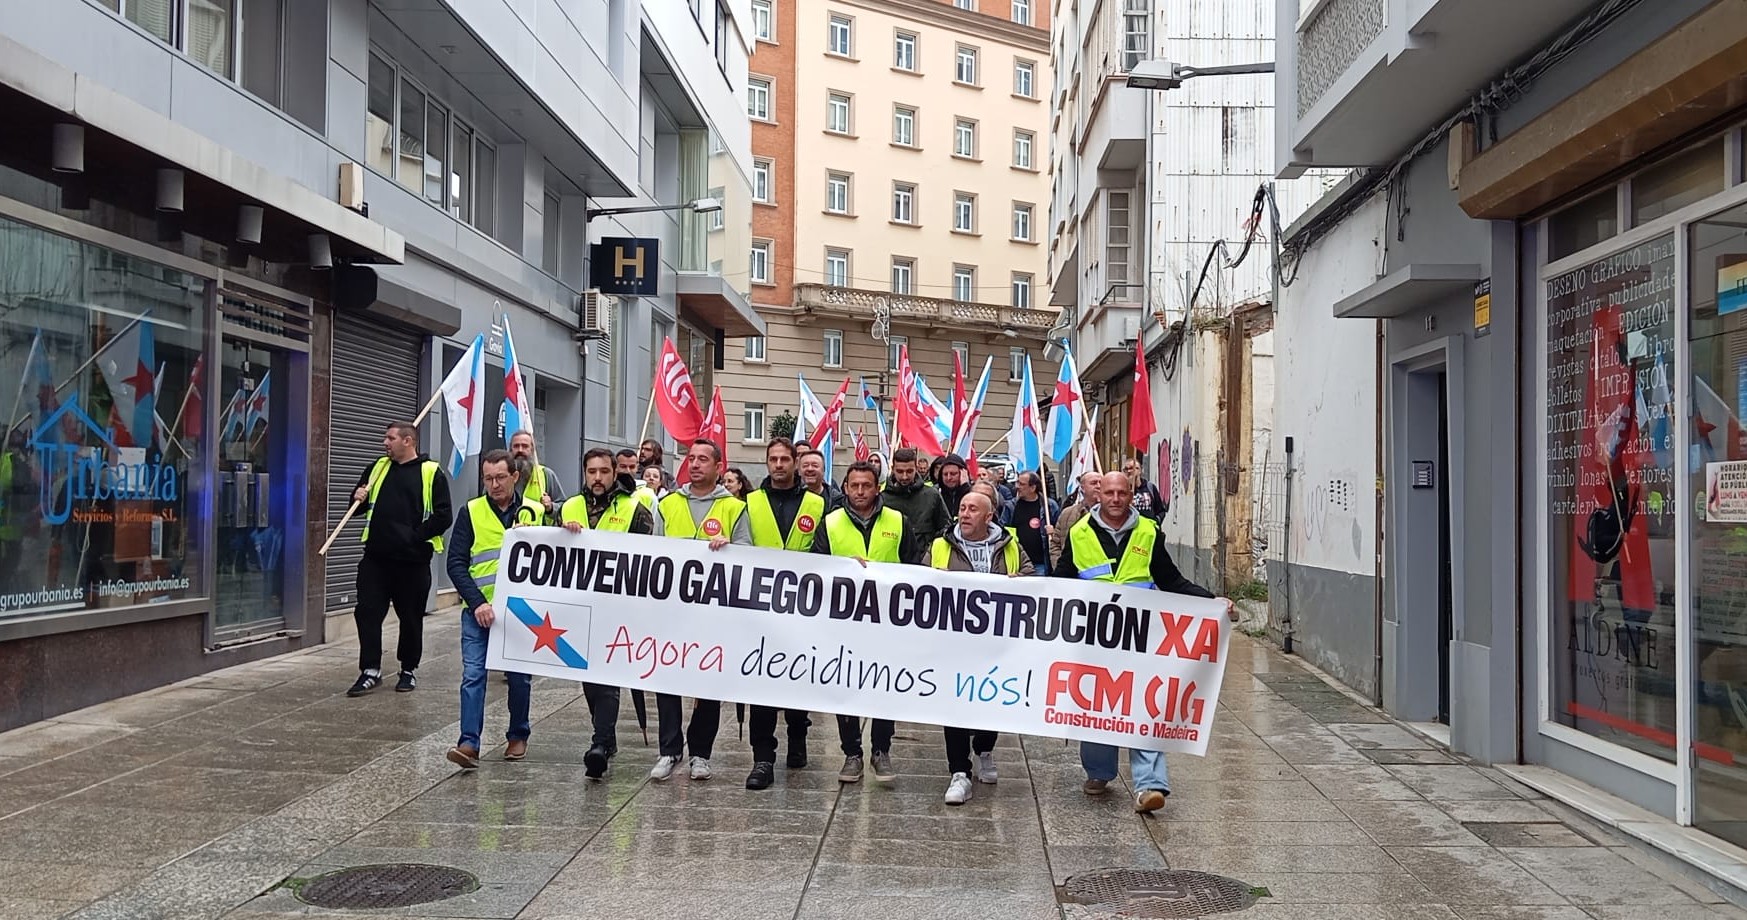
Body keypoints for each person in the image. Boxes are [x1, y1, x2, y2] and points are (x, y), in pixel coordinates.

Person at [1055, 470, 1227, 813]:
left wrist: (1212, 602)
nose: (1116, 499)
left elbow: (1171, 580)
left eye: (1122, 492)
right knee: (1096, 706)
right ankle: (1099, 772)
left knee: (1144, 705)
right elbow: (1062, 580)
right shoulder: (1079, 532)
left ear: (1131, 495)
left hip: (1140, 639)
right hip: (1093, 639)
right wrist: (1023, 590)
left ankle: (1150, 784)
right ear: (1098, 495)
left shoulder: (1148, 532)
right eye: (1109, 493)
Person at [811, 461, 922, 784]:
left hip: (887, 622)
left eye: (866, 486)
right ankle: (852, 753)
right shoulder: (830, 523)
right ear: (845, 488)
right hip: (843, 622)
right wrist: (843, 568)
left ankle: (881, 750)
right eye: (854, 486)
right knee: (845, 687)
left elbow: (914, 566)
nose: (860, 491)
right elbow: (816, 569)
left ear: (877, 488)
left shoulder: (898, 521)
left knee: (884, 686)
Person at [559, 448, 662, 778]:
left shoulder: (634, 509)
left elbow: (646, 557)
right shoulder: (569, 507)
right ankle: (606, 735)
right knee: (590, 679)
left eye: (604, 471)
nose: (598, 477)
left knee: (606, 677)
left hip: (617, 609)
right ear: (585, 473)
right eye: (592, 471)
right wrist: (562, 532)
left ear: (615, 472)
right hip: (580, 607)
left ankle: (600, 743)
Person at [651, 439, 750, 781]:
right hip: (672, 609)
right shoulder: (667, 504)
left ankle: (700, 753)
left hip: (713, 614)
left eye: (703, 459)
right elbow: (652, 551)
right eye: (691, 458)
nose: (694, 464)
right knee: (666, 678)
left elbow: (747, 552)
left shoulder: (733, 507)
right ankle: (669, 749)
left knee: (709, 683)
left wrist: (731, 547)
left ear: (718, 467)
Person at [929, 489, 1032, 804]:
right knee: (955, 704)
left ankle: (984, 749)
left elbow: (1033, 579)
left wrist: (1019, 580)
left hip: (998, 644)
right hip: (954, 641)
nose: (965, 513)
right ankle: (959, 772)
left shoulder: (1009, 545)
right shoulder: (941, 544)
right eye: (962, 507)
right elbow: (920, 583)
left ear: (989, 516)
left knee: (993, 701)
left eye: (973, 509)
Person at [443, 450, 544, 768]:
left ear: (515, 476)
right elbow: (456, 563)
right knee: (473, 675)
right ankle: (468, 743)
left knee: (519, 678)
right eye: (488, 479)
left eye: (500, 477)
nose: (494, 484)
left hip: (520, 612)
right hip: (479, 611)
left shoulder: (535, 511)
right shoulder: (471, 511)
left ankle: (518, 735)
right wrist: (477, 603)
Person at [741, 438, 825, 790]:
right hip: (761, 604)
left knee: (797, 677)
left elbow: (825, 548)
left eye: (784, 459)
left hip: (803, 604)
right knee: (761, 680)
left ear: (795, 462)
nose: (778, 465)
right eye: (772, 459)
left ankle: (797, 733)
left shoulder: (817, 503)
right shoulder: (750, 502)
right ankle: (763, 757)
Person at [348, 421, 453, 696]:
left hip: (412, 562)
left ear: (408, 441)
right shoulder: (377, 468)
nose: (385, 443)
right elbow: (355, 508)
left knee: (411, 617)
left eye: (390, 438)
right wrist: (357, 497)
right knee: (367, 613)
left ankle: (408, 669)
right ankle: (370, 670)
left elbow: (444, 516)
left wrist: (414, 537)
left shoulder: (431, 472)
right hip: (376, 559)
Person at [881, 448, 950, 543]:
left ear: (916, 468)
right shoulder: (883, 499)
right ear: (893, 469)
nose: (905, 476)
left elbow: (946, 528)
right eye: (900, 471)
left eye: (909, 471)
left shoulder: (932, 496)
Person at [1008, 471, 1061, 576]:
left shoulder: (1049, 506)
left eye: (1021, 484)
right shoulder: (1011, 506)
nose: (1017, 487)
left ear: (1033, 488)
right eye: (1017, 483)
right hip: (1017, 564)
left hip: (1040, 564)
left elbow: (1061, 532)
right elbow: (1003, 531)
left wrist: (1054, 531)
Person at [1048, 471, 1103, 570]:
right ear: (1082, 488)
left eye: (1101, 483)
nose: (1098, 486)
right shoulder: (1067, 513)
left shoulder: (1110, 515)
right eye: (1094, 483)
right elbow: (1055, 544)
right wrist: (1059, 566)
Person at [508, 430, 565, 523]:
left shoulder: (546, 474)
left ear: (532, 450)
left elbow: (564, 508)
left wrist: (551, 507)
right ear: (510, 450)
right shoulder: (501, 476)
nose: (520, 450)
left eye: (525, 446)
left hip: (538, 531)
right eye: (516, 446)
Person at [1124, 455, 1167, 522]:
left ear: (1140, 470)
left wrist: (1156, 522)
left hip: (1148, 527)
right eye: (1126, 469)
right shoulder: (1122, 490)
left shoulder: (1150, 487)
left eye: (1132, 468)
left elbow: (1161, 511)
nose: (1129, 471)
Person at [936, 454, 972, 521]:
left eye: (953, 474)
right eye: (945, 474)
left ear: (963, 473)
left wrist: (965, 488)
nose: (949, 478)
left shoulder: (974, 493)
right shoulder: (936, 494)